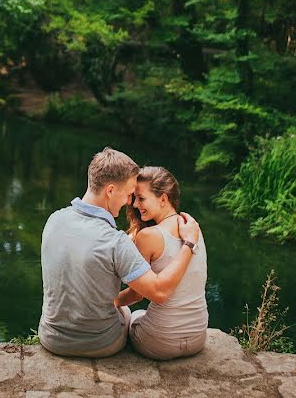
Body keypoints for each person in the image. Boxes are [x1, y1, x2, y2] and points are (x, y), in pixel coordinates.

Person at [38, 147, 202, 358]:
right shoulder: (115, 241)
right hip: (99, 344)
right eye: (128, 194)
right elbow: (159, 293)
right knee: (126, 313)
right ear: (110, 190)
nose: (129, 203)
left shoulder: (54, 220)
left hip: (52, 339)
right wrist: (189, 244)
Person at [114, 166, 208, 360]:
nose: (135, 204)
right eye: (134, 198)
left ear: (163, 199)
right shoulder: (191, 227)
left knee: (131, 314)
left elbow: (136, 294)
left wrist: (111, 302)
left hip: (160, 343)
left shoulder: (148, 236)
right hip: (198, 337)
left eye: (141, 198)